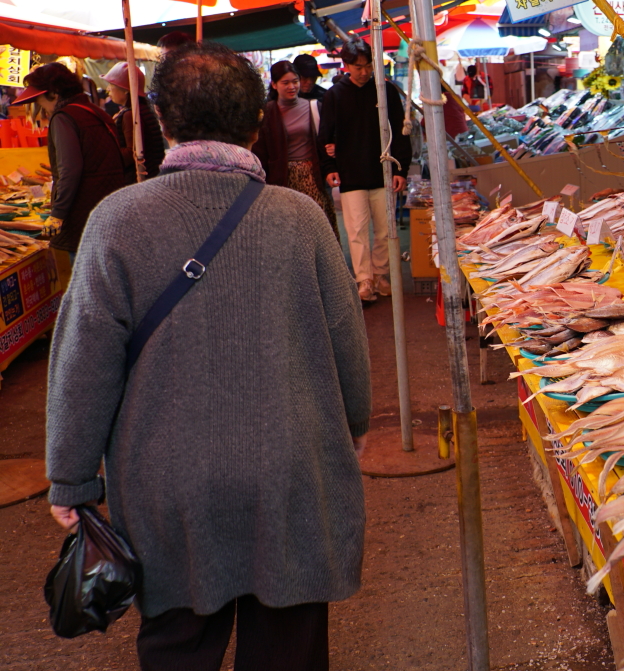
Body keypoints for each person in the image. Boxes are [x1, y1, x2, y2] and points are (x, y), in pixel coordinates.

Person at [45, 41, 370, 671]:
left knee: (177, 649)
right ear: (256, 123)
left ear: (162, 121)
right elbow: (347, 344)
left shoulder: (116, 220)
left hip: (167, 486)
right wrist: (351, 427)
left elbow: (83, 361)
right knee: (288, 650)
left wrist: (73, 477)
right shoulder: (300, 218)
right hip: (292, 473)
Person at [319, 39, 410, 302]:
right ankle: (364, 280)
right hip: (350, 175)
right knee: (356, 231)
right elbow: (325, 136)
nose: (364, 71)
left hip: (383, 172)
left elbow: (400, 133)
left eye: (368, 66)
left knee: (385, 230)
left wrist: (400, 168)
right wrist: (330, 168)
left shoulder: (386, 91)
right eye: (358, 66)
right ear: (346, 65)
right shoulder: (334, 95)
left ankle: (381, 275)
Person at [12, 62, 131, 256]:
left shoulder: (64, 117)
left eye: (41, 101)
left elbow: (70, 169)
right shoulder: (96, 112)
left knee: (86, 277)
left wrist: (58, 214)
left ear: (54, 93)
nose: (43, 109)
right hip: (108, 208)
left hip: (82, 215)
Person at [252, 60, 339, 239]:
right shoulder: (266, 113)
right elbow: (260, 152)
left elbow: (326, 138)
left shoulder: (314, 107)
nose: (292, 86)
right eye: (286, 83)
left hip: (311, 175)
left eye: (295, 81)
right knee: (290, 230)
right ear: (274, 85)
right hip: (282, 178)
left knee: (318, 228)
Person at [102, 61, 166, 179]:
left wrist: (105, 152)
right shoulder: (141, 109)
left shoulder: (131, 115)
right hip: (153, 175)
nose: (108, 89)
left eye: (111, 84)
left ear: (126, 90)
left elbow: (131, 153)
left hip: (138, 178)